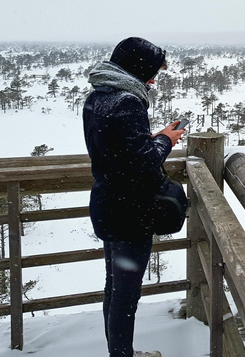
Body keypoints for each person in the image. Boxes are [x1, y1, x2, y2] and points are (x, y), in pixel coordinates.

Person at [83, 37, 186, 357]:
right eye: (151, 73)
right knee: (125, 297)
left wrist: (149, 139)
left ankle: (120, 353)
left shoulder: (98, 97)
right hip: (129, 212)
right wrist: (166, 141)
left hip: (108, 206)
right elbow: (142, 165)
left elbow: (117, 152)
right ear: (137, 68)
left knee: (114, 290)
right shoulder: (127, 102)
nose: (153, 80)